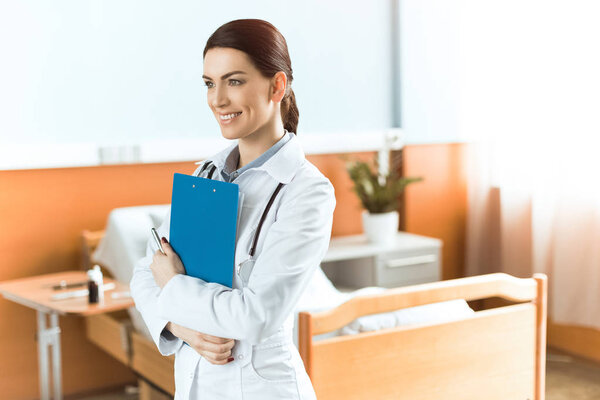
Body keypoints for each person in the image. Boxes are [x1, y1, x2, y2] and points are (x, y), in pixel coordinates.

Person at [130, 19, 336, 400]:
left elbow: (256, 317)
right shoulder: (205, 174)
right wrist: (182, 327)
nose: (217, 100)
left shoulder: (307, 191)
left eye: (234, 81)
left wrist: (173, 285)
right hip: (193, 383)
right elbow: (145, 272)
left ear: (277, 86)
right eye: (210, 83)